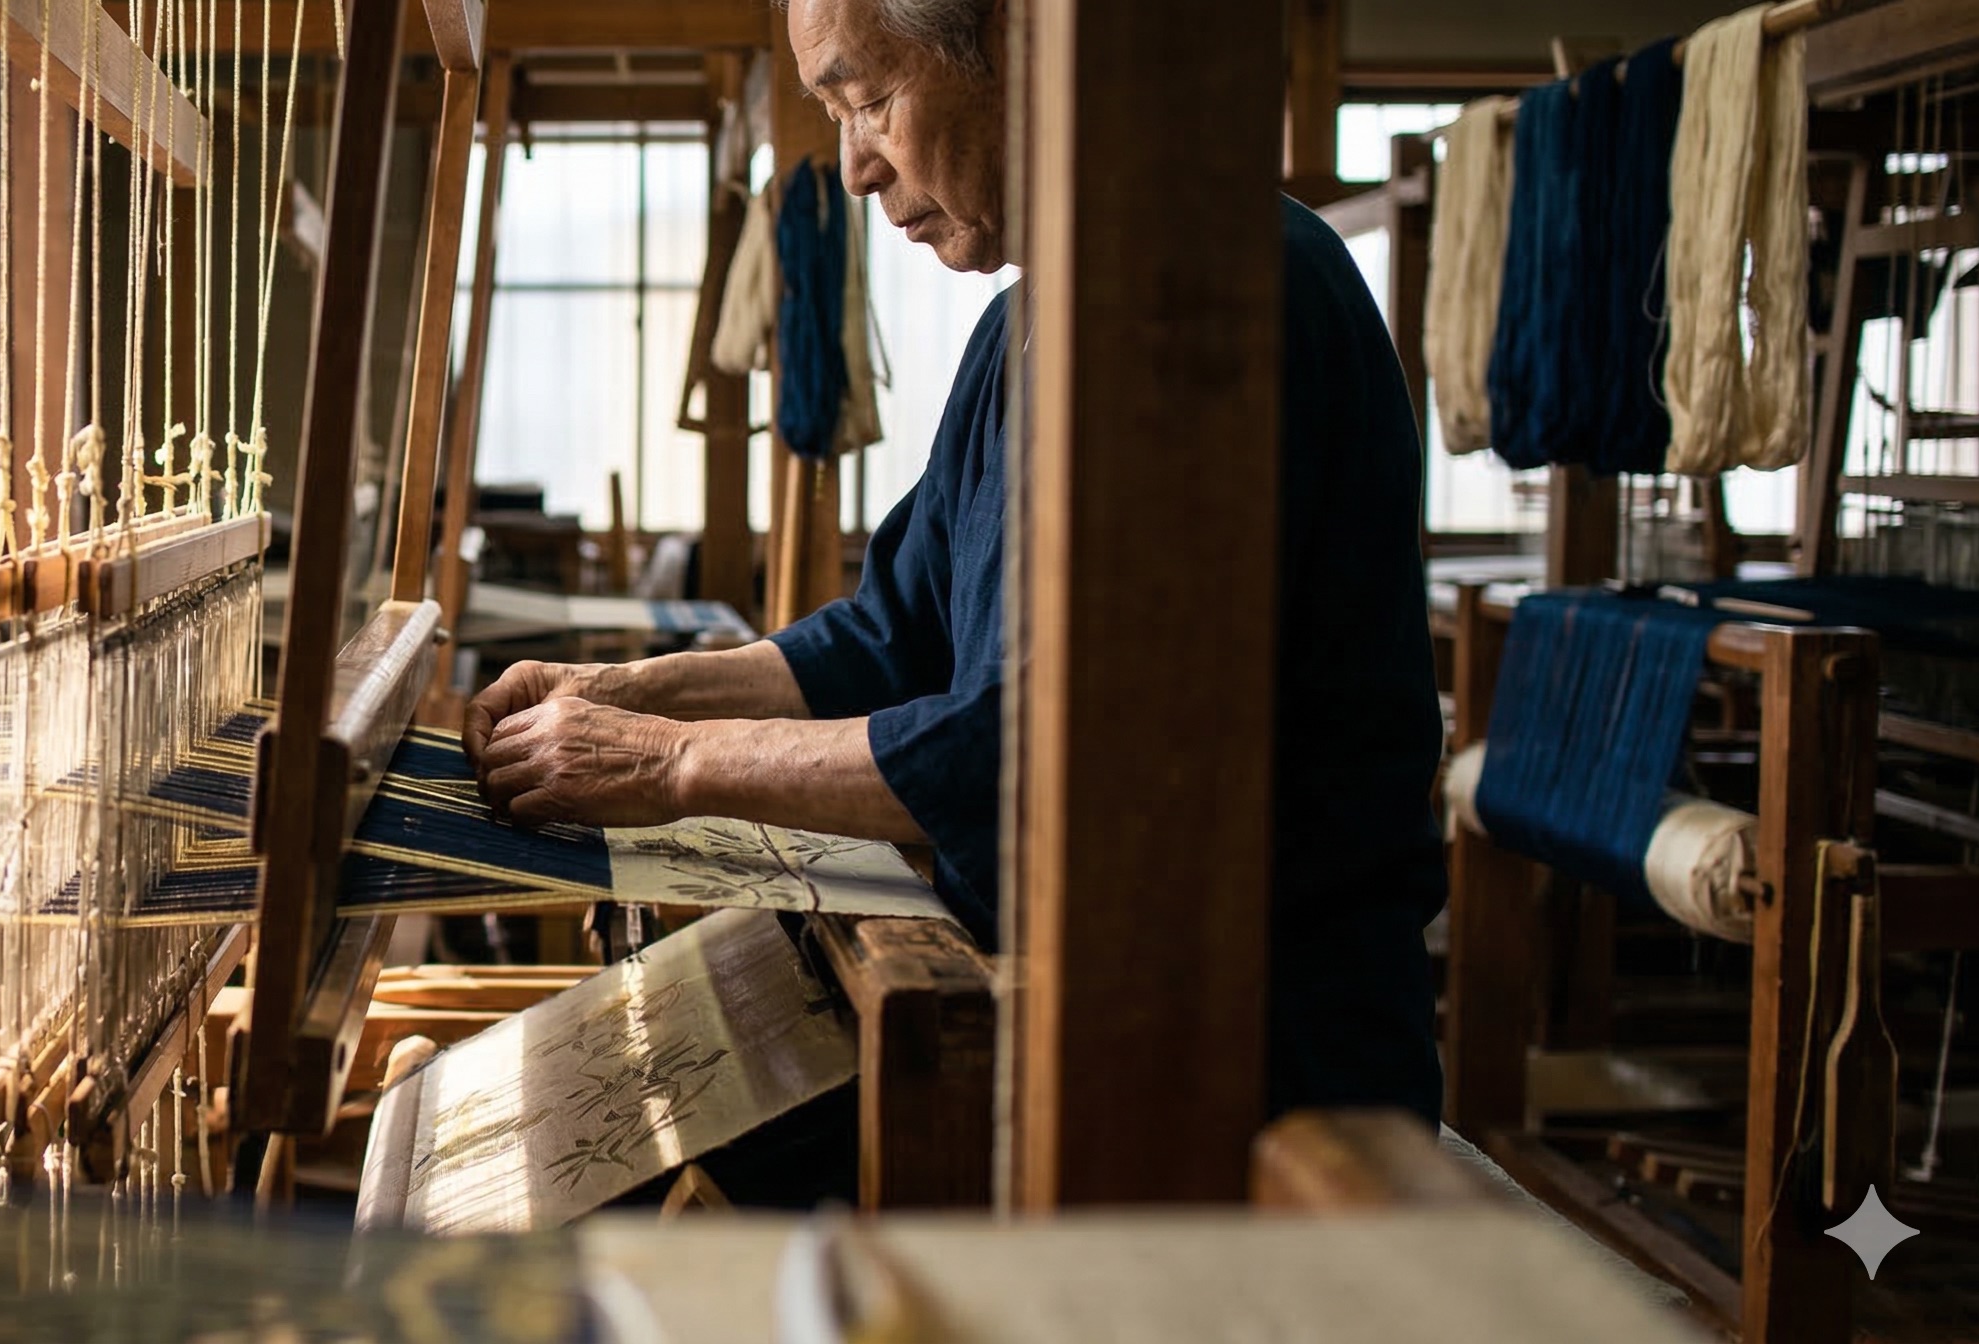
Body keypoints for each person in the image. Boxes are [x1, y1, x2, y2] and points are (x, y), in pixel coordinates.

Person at [462, 0, 1448, 1121]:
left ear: (1027, 47)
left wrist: (669, 765)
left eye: (870, 100)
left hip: (1237, 1068)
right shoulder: (1023, 327)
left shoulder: (1218, 296)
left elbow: (1051, 746)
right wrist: (624, 693)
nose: (854, 170)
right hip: (1038, 999)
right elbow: (888, 638)